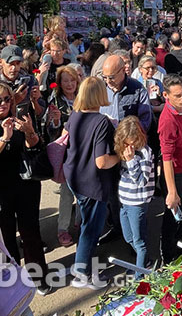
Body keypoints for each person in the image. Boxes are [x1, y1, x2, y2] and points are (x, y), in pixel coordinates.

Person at [0, 82, 51, 295]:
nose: (4, 104)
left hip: (25, 186)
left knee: (31, 233)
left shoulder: (18, 120)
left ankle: (38, 276)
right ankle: (14, 280)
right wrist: (4, 137)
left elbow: (35, 148)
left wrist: (30, 132)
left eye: (7, 99)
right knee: (6, 238)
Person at [63, 76, 118, 289]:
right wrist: (121, 156)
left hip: (74, 177)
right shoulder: (101, 122)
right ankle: (82, 273)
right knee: (91, 229)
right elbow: (102, 162)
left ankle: (80, 264)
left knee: (86, 223)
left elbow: (64, 136)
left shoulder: (75, 115)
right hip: (93, 183)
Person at [157, 74, 182, 264]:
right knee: (172, 217)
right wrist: (172, 191)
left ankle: (179, 245)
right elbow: (167, 159)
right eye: (178, 96)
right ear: (166, 95)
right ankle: (168, 255)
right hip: (176, 174)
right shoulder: (167, 121)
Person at [43, 65, 80, 248]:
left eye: (72, 80)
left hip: (84, 152)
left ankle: (80, 223)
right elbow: (51, 132)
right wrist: (56, 120)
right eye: (65, 80)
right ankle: (62, 229)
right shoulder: (56, 101)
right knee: (66, 193)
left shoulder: (83, 98)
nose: (69, 84)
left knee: (84, 190)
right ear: (59, 83)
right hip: (67, 154)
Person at [115, 116, 155, 276]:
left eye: (132, 143)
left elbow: (141, 181)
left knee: (139, 242)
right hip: (125, 201)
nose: (129, 147)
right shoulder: (123, 150)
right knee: (128, 237)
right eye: (126, 143)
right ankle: (144, 261)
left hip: (137, 202)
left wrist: (131, 161)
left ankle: (140, 276)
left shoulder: (144, 152)